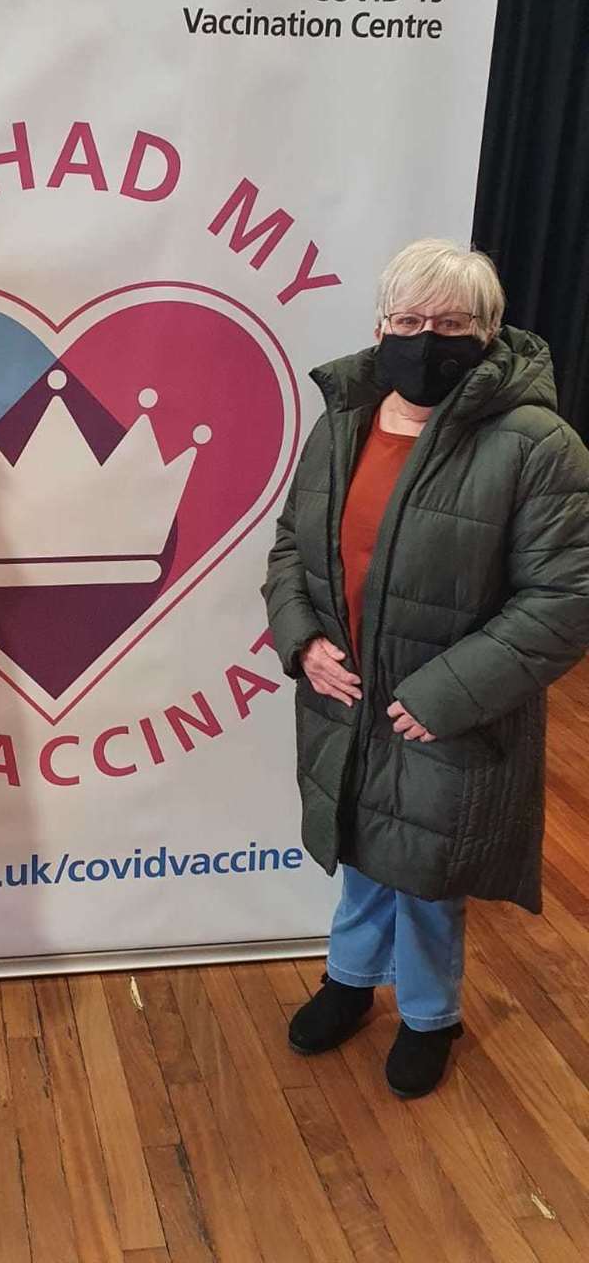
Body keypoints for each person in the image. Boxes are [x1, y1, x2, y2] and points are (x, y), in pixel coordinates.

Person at [262, 238, 589, 1099]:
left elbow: (563, 599)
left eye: (450, 323)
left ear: (488, 331)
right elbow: (293, 544)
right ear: (380, 325)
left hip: (452, 707)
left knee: (430, 871)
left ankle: (429, 1014)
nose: (425, 338)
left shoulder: (538, 446)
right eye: (408, 320)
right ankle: (348, 979)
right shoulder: (344, 421)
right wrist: (301, 640)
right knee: (365, 847)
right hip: (348, 693)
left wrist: (448, 693)